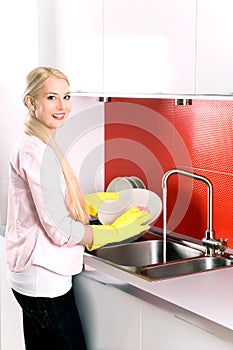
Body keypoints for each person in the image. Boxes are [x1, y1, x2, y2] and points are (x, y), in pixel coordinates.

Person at [5, 67, 151, 350]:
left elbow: (46, 203)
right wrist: (111, 231)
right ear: (31, 102)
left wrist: (87, 203)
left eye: (66, 96)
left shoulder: (36, 142)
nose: (62, 106)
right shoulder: (38, 151)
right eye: (51, 97)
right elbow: (59, 229)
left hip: (34, 278)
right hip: (44, 282)